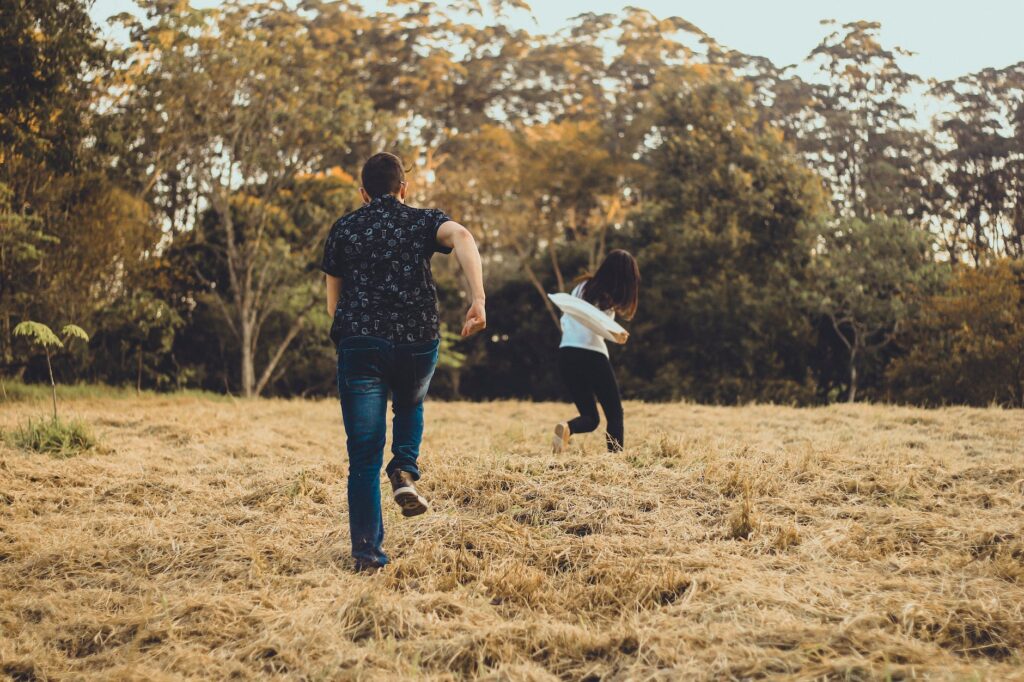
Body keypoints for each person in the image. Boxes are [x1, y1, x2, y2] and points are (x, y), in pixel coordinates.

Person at [321, 152, 486, 571]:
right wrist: (478, 299)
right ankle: (405, 468)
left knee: (362, 456)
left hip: (360, 342)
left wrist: (349, 337)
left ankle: (367, 555)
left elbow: (332, 301)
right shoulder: (423, 220)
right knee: (410, 403)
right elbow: (464, 237)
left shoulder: (344, 229)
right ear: (403, 188)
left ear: (363, 193)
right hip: (416, 339)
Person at [552, 249, 640, 454]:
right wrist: (618, 334)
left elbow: (567, 319)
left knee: (591, 419)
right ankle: (615, 462)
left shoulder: (580, 288)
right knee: (615, 415)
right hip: (592, 354)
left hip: (566, 353)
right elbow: (602, 327)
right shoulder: (607, 297)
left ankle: (567, 428)